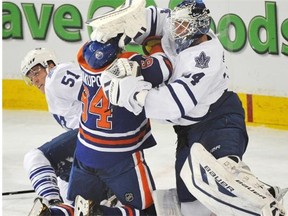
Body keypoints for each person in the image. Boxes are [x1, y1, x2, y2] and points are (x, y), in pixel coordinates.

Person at [94, 0, 287, 215]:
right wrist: (119, 28)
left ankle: (263, 201)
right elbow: (153, 18)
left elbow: (173, 105)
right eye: (176, 25)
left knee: (222, 173)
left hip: (219, 121)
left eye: (182, 26)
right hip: (188, 131)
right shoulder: (179, 31)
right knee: (190, 200)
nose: (176, 30)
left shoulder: (204, 59)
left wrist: (135, 94)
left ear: (198, 29)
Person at [68, 36, 172, 216]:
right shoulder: (128, 63)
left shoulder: (83, 59)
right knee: (146, 211)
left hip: (84, 151)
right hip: (119, 156)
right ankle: (99, 214)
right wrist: (155, 46)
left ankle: (53, 213)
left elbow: (92, 46)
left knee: (76, 207)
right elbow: (164, 67)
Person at [21, 48, 83, 215]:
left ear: (49, 64)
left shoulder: (57, 75)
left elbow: (93, 91)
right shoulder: (53, 86)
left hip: (92, 134)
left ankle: (52, 206)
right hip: (93, 139)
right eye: (30, 77)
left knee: (35, 158)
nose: (34, 80)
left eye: (36, 72)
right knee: (66, 189)